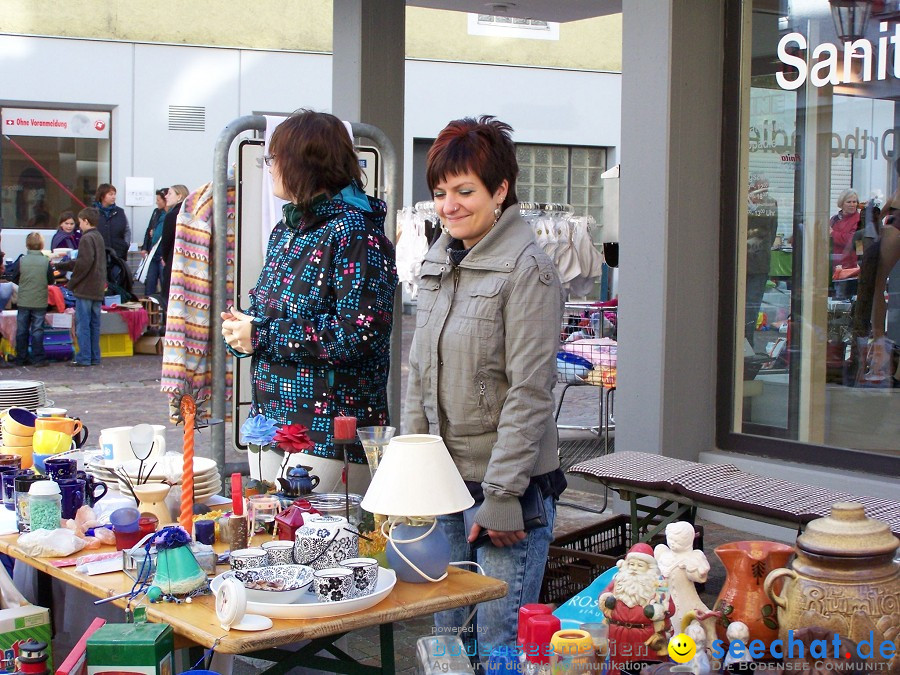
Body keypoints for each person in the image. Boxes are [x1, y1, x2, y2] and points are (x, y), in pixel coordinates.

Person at [404, 116, 565, 661]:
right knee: (449, 639)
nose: (449, 205)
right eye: (440, 192)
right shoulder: (438, 259)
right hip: (444, 480)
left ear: (500, 190)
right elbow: (419, 371)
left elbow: (530, 392)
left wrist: (502, 498)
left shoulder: (528, 270)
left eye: (465, 190)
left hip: (507, 490)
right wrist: (412, 467)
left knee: (499, 645)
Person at [220, 110, 397, 494]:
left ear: (305, 163)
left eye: (275, 158)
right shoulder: (286, 229)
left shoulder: (355, 233)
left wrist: (261, 335)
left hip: (327, 435)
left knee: (320, 548)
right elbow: (274, 313)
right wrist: (242, 329)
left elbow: (359, 334)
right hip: (271, 424)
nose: (269, 167)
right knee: (270, 538)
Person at [599, 543, 675, 671]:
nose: (634, 568)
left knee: (645, 666)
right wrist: (607, 599)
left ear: (649, 568)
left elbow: (670, 608)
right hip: (619, 632)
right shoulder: (619, 581)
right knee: (618, 665)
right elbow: (604, 595)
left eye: (640, 565)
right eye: (631, 564)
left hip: (645, 635)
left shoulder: (659, 584)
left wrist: (659, 610)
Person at [55, 207, 107, 367]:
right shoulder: (98, 237)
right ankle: (94, 356)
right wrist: (65, 265)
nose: (78, 225)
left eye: (79, 222)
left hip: (86, 288)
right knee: (94, 324)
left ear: (85, 221)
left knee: (83, 325)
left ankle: (84, 357)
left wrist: (71, 283)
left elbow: (84, 263)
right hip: (97, 287)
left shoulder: (86, 238)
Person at [12, 232, 53, 368]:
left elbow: (14, 277)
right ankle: (38, 358)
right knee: (37, 330)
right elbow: (51, 280)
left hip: (23, 300)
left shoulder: (22, 260)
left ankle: (21, 357)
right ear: (42, 245)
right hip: (40, 301)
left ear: (27, 244)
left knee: (22, 330)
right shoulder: (46, 261)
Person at [158, 184, 189, 301]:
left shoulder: (172, 216)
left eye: (170, 193)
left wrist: (164, 258)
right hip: (189, 262)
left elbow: (166, 242)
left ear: (179, 196)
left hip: (173, 261)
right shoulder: (192, 214)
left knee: (170, 298)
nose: (166, 196)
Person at [140, 189, 168, 295]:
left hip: (162, 255)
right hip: (153, 253)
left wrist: (155, 232)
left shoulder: (172, 214)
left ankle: (164, 310)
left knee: (164, 283)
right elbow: (149, 229)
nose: (157, 202)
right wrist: (144, 247)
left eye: (158, 199)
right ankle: (149, 308)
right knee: (150, 283)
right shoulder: (156, 212)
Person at [93, 183, 130, 259]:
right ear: (102, 196)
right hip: (98, 255)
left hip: (118, 255)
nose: (114, 197)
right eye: (110, 194)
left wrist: (125, 245)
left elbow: (127, 230)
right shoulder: (93, 212)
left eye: (114, 194)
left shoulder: (120, 212)